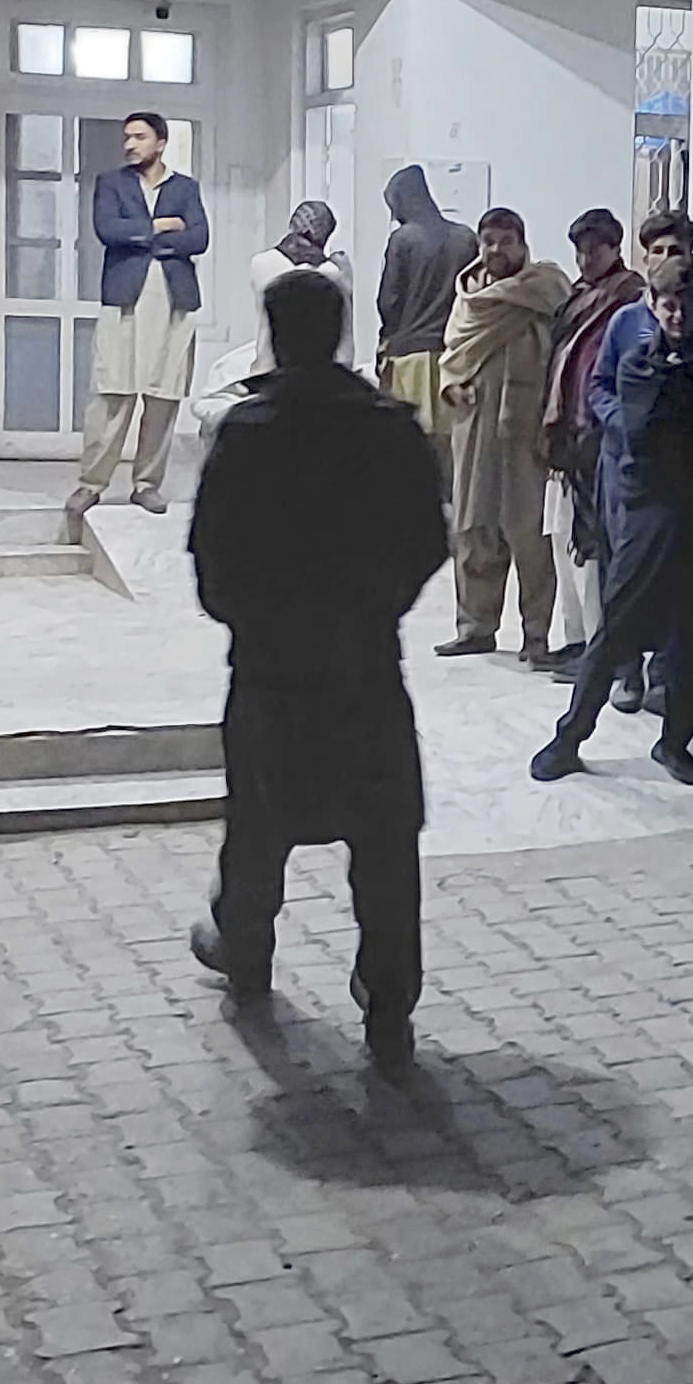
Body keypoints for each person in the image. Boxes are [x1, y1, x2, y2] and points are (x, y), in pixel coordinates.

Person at [187, 269, 447, 1070]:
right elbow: (426, 541)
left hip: (272, 668)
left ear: (274, 331)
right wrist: (376, 608)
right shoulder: (389, 427)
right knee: (384, 839)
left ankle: (247, 953)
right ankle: (390, 1002)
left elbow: (212, 556)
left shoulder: (249, 431)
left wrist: (253, 620)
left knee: (258, 826)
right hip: (364, 665)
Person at [530, 259, 693, 788]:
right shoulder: (638, 362)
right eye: (667, 303)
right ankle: (570, 736)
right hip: (649, 514)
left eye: (686, 303)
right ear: (653, 303)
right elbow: (648, 424)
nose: (676, 313)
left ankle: (675, 742)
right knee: (617, 628)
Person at [585, 209, 693, 714]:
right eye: (656, 251)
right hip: (624, 468)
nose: (665, 260)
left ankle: (664, 679)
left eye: (674, 251)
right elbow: (598, 385)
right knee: (623, 578)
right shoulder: (626, 322)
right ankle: (626, 672)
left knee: (678, 582)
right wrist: (624, 423)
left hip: (679, 478)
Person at [435, 208, 569, 662]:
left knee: (530, 536)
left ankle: (536, 637)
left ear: (523, 243)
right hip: (474, 428)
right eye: (488, 241)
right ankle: (475, 626)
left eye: (505, 240)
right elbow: (452, 355)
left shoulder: (545, 289)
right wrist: (455, 387)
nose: (496, 250)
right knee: (474, 529)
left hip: (526, 430)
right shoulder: (468, 298)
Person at [71, 112, 209, 517]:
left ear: (160, 143)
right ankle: (90, 484)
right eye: (127, 138)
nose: (130, 144)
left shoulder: (185, 188)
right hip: (123, 299)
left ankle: (147, 484)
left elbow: (198, 238)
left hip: (174, 303)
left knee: (164, 397)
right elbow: (107, 230)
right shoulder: (112, 184)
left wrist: (146, 239)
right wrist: (161, 228)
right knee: (111, 394)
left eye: (139, 137)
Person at [541, 209, 644, 677]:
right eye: (580, 250)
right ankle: (577, 637)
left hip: (600, 435)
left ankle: (603, 649)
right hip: (568, 433)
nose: (584, 259)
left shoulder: (627, 300)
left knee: (595, 545)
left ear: (615, 249)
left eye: (594, 250)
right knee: (563, 539)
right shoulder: (580, 297)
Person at [375, 165, 481, 477]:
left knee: (410, 454)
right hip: (458, 357)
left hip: (409, 357)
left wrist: (386, 341)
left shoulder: (403, 240)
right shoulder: (466, 237)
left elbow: (389, 301)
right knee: (454, 452)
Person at [244, 201, 349, 372]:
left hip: (267, 366)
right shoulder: (333, 273)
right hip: (322, 373)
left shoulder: (260, 262)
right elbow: (346, 335)